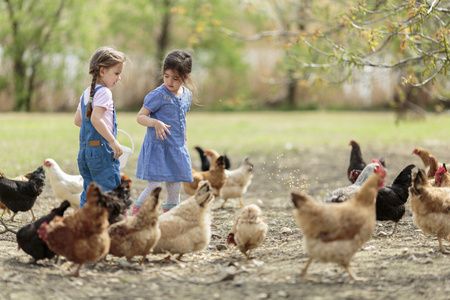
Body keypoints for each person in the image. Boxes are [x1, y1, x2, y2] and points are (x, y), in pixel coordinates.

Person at [133, 50, 196, 215]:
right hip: (158, 148)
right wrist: (155, 123)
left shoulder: (186, 95)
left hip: (177, 148)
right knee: (155, 186)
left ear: (186, 77)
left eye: (175, 78)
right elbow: (140, 117)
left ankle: (169, 220)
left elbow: (183, 119)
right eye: (166, 76)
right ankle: (135, 216)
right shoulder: (158, 95)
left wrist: (185, 143)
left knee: (175, 187)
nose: (170, 81)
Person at [74, 46, 126, 208]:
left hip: (85, 153)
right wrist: (112, 141)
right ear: (102, 71)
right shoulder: (104, 92)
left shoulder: (87, 92)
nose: (119, 78)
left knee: (89, 195)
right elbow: (96, 119)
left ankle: (83, 228)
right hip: (102, 153)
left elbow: (78, 120)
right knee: (108, 195)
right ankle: (108, 230)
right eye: (116, 73)